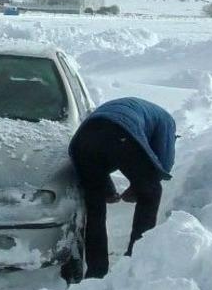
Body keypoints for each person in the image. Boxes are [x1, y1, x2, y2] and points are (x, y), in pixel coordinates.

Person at [69, 97, 176, 279]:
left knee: (95, 207)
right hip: (120, 132)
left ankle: (96, 271)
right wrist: (140, 188)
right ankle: (135, 263)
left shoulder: (138, 109)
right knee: (151, 193)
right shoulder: (167, 120)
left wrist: (108, 190)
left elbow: (102, 154)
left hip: (83, 140)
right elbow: (162, 166)